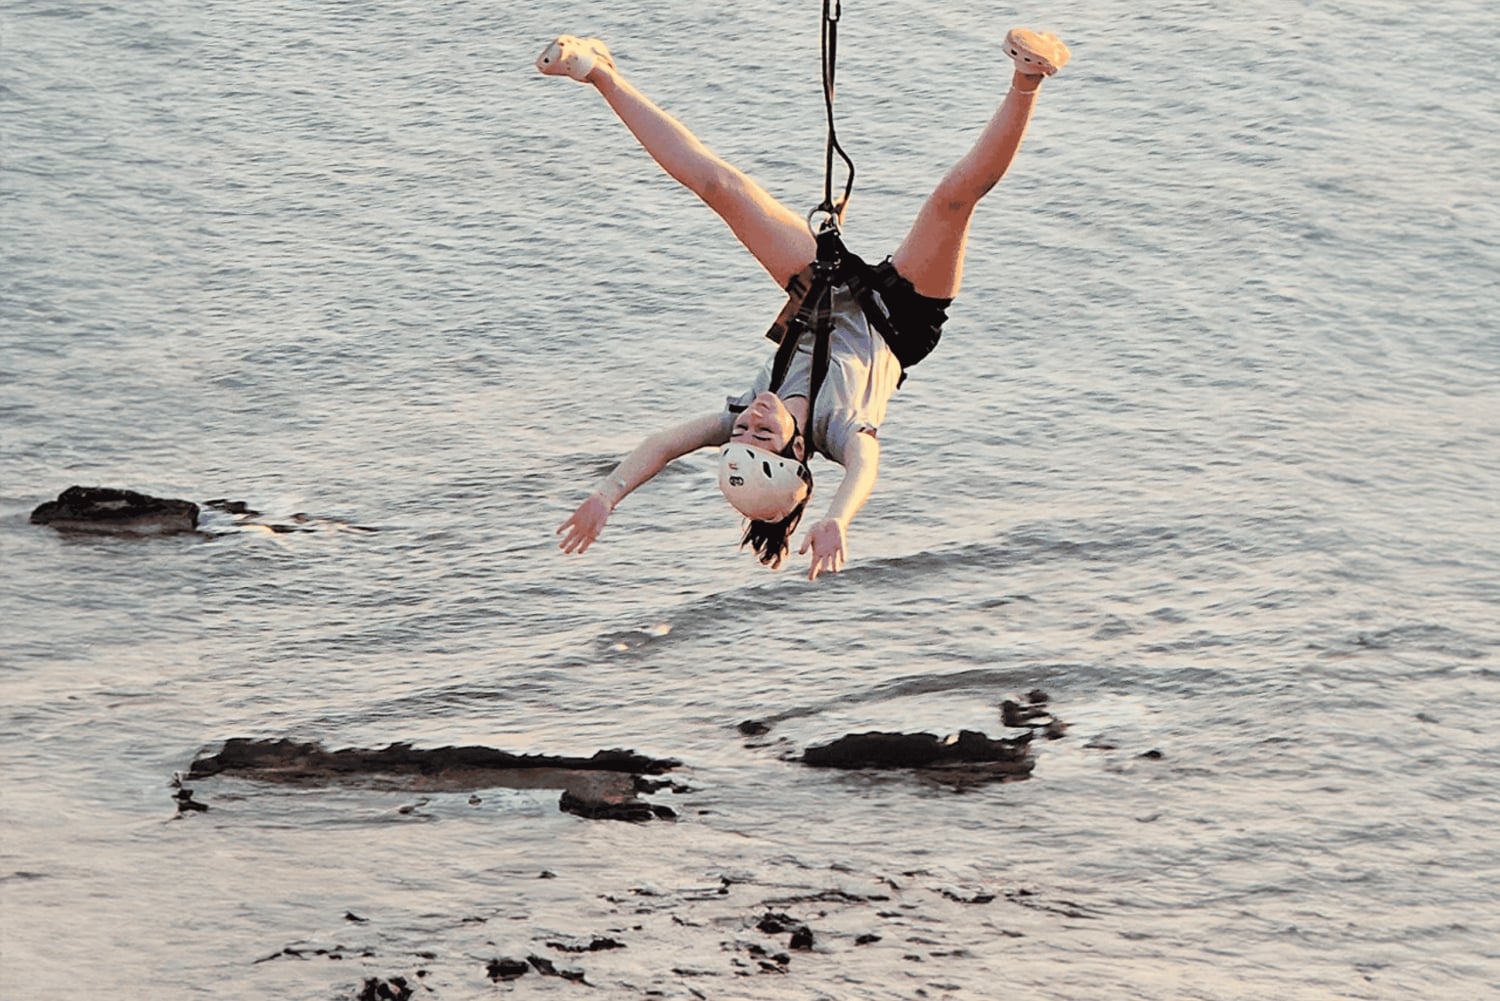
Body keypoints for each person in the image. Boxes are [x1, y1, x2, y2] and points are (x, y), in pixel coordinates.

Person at [544, 27, 1069, 581]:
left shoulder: (746, 411)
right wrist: (838, 518)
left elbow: (664, 445)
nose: (751, 418)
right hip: (899, 321)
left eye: (741, 432)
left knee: (720, 187)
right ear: (797, 452)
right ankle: (1028, 76)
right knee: (953, 200)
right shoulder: (838, 430)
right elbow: (865, 467)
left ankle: (597, 70)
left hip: (822, 295)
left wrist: (607, 494)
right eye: (762, 434)